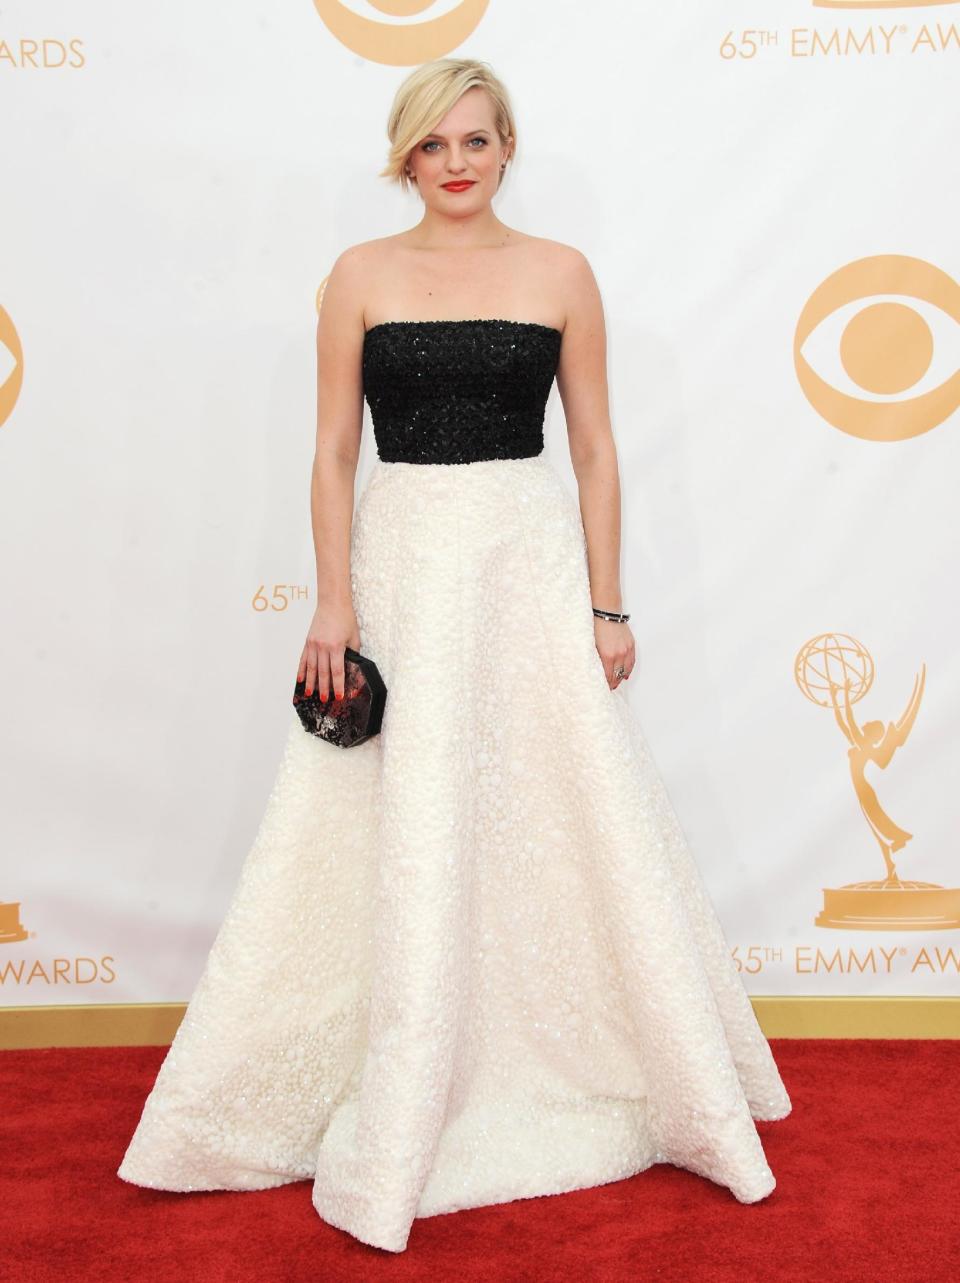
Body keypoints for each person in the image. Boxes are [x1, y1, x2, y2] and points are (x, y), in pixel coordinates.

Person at [117, 56, 791, 1254]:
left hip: (525, 564)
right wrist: (335, 606)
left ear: (508, 144)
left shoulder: (561, 273)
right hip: (404, 561)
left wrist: (608, 604)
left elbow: (593, 450)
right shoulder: (360, 277)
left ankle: (587, 1053)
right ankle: (397, 1059)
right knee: (391, 808)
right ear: (405, 157)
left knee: (553, 800)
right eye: (434, 145)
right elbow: (332, 454)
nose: (458, 162)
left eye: (476, 140)